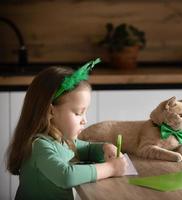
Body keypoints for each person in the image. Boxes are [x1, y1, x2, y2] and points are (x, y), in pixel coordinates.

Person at [6, 58, 128, 200]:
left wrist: (106, 148)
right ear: (51, 112)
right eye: (78, 113)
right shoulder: (39, 146)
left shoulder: (63, 140)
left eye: (85, 112)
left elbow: (86, 149)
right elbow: (66, 175)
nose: (85, 120)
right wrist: (111, 168)